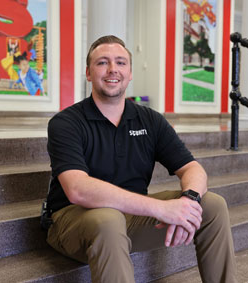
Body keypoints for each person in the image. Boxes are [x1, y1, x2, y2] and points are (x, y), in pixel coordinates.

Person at [43, 35, 235, 282]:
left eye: (121, 63)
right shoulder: (66, 123)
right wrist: (162, 209)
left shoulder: (150, 120)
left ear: (130, 72)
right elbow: (78, 190)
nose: (113, 69)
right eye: (103, 62)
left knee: (213, 205)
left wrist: (188, 201)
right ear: (89, 73)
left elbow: (192, 169)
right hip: (72, 220)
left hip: (131, 218)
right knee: (108, 219)